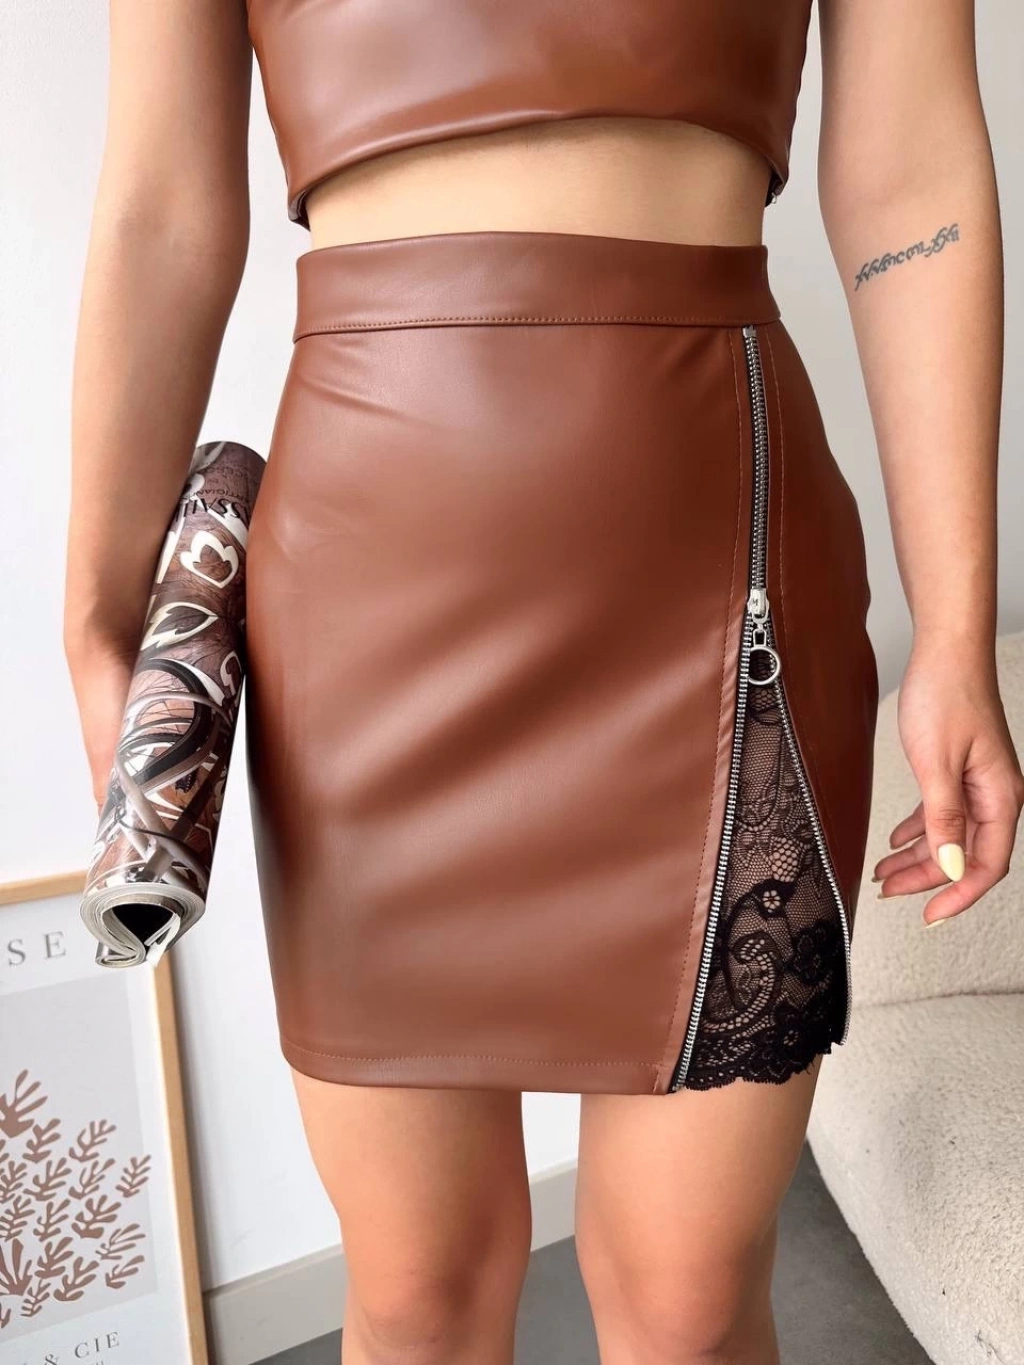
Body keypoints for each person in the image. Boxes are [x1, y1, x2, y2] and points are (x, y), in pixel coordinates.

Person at [64, 2, 1023, 1362]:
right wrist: (94, 617)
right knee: (420, 1290)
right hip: (368, 622)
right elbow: (162, 208)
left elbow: (913, 172)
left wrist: (956, 635)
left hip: (724, 593)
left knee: (691, 1305)